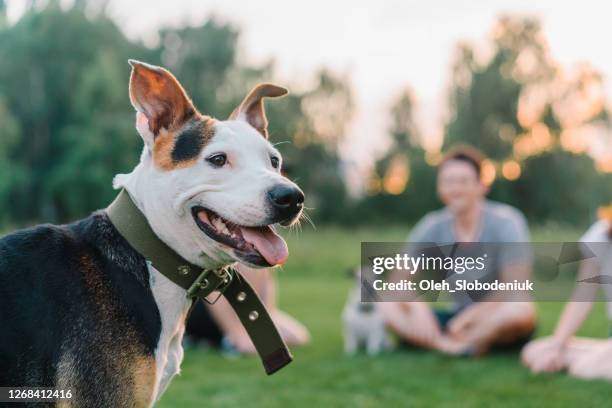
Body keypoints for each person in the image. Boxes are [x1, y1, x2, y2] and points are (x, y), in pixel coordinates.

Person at [380, 145, 536, 356]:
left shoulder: (507, 221)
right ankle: (449, 345)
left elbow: (514, 287)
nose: (455, 188)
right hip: (455, 318)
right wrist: (417, 308)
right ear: (439, 188)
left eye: (463, 181)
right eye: (448, 181)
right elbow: (397, 281)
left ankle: (466, 341)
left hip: (495, 316)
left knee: (521, 309)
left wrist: (471, 317)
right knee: (385, 304)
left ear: (482, 186)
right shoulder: (432, 225)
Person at [522, 208, 612, 380]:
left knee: (583, 367)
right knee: (535, 350)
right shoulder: (601, 234)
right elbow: (583, 296)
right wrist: (557, 346)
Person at [185, 264, 310, 354]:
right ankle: (203, 339)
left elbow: (267, 293)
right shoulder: (221, 260)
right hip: (213, 317)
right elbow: (211, 292)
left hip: (243, 317)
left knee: (297, 336)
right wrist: (237, 334)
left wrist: (266, 328)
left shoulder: (261, 261)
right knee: (248, 345)